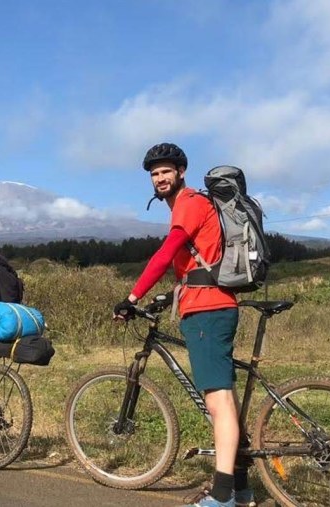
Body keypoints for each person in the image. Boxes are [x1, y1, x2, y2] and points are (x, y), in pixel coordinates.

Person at [112, 143, 252, 507]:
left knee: (218, 402)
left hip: (208, 311)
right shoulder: (190, 205)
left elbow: (164, 252)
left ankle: (222, 497)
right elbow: (190, 265)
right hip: (206, 304)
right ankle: (241, 487)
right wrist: (166, 296)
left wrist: (132, 297)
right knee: (227, 401)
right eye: (154, 173)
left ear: (181, 172)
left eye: (165, 171)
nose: (160, 178)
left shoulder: (189, 203)